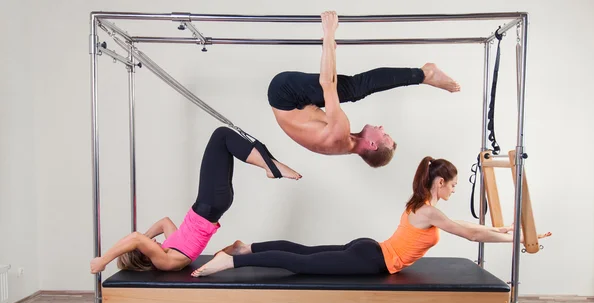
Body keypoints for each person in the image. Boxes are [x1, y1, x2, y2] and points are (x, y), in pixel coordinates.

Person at [191, 156, 551, 277]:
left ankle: (247, 246)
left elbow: (469, 228)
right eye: (453, 184)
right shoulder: (428, 210)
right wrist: (519, 239)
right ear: (439, 182)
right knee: (299, 262)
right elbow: (469, 235)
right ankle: (231, 261)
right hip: (369, 259)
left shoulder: (424, 204)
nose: (455, 189)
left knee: (302, 251)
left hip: (367, 249)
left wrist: (501, 227)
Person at [89, 127, 301, 274]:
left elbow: (164, 222)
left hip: (213, 204)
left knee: (224, 140)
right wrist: (103, 260)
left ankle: (270, 165)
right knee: (221, 136)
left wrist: (145, 238)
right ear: (144, 254)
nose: (151, 241)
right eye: (146, 245)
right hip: (209, 204)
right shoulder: (164, 262)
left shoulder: (171, 248)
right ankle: (271, 167)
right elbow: (135, 238)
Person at [267, 11, 461, 168]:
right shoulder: (343, 144)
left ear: (372, 144)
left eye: (384, 135)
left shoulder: (340, 133)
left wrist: (329, 33)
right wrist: (329, 50)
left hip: (284, 92)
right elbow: (327, 90)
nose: (383, 128)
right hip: (293, 102)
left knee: (354, 88)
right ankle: (424, 75)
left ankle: (425, 74)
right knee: (351, 91)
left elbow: (327, 83)